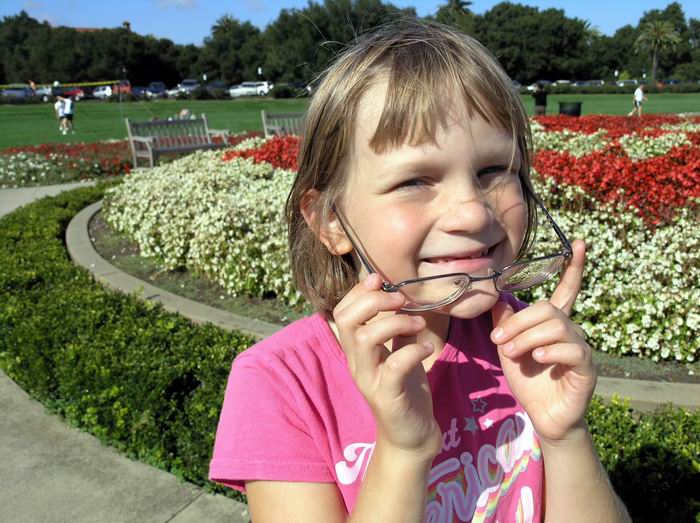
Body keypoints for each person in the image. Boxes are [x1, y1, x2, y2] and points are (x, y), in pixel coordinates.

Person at [209, 20, 631, 522]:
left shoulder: (522, 345)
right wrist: (404, 451)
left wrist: (565, 436)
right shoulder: (282, 383)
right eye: (414, 180)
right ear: (329, 221)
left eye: (495, 170)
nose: (473, 212)